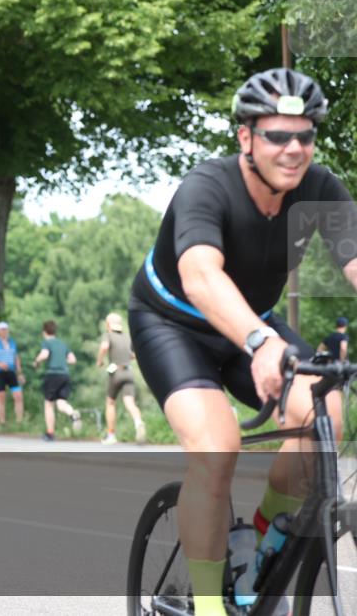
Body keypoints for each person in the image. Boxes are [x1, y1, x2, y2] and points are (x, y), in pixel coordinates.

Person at [128, 68, 357, 615]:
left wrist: (258, 335)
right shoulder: (208, 186)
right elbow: (203, 276)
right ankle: (209, 606)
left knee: (325, 414)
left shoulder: (320, 189)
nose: (294, 148)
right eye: (278, 135)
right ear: (246, 138)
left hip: (253, 323)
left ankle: (256, 551)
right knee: (218, 445)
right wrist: (259, 341)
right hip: (174, 324)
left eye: (304, 135)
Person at [96, 313, 146, 444]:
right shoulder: (127, 337)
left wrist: (100, 361)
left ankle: (111, 435)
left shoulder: (108, 335)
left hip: (116, 372)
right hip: (129, 372)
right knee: (129, 402)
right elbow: (133, 355)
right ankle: (138, 423)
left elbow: (104, 347)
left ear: (108, 324)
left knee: (110, 402)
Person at [33, 320, 80, 441]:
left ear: (44, 332)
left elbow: (44, 354)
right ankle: (72, 413)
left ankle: (50, 433)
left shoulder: (47, 342)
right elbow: (73, 359)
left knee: (49, 404)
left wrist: (36, 361)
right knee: (61, 403)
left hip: (53, 374)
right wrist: (63, 362)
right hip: (65, 374)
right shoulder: (63, 343)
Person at [0, 321, 26, 426]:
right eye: (2, 329)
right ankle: (2, 422)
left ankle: (19, 421)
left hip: (11, 372)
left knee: (18, 396)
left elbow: (16, 358)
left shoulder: (12, 342)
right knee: (1, 396)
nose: (4, 331)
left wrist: (20, 372)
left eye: (6, 329)